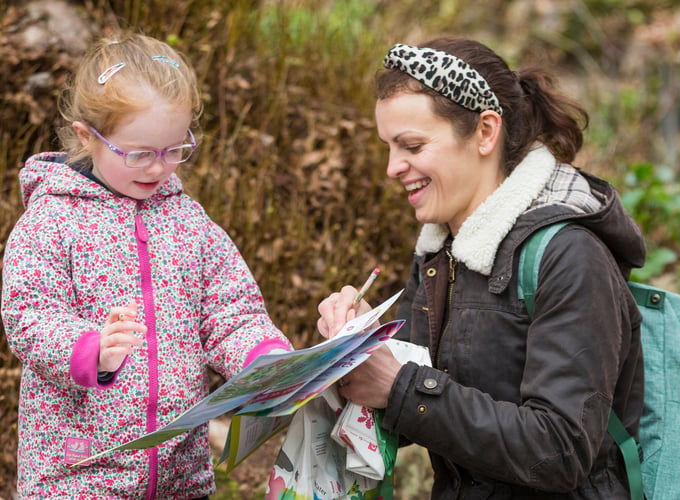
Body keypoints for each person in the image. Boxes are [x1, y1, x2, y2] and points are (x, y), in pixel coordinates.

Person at [317, 36, 646, 499]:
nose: (393, 167)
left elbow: (560, 451)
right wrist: (357, 352)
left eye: (411, 145)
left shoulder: (571, 255)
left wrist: (400, 387)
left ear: (486, 133)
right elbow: (417, 413)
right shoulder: (441, 253)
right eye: (388, 147)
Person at [1, 33, 292, 499]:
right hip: (79, 472)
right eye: (139, 154)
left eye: (174, 150)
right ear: (86, 136)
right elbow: (29, 314)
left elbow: (230, 310)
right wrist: (90, 348)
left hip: (179, 473)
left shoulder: (187, 221)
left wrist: (264, 361)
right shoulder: (52, 221)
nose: (158, 169)